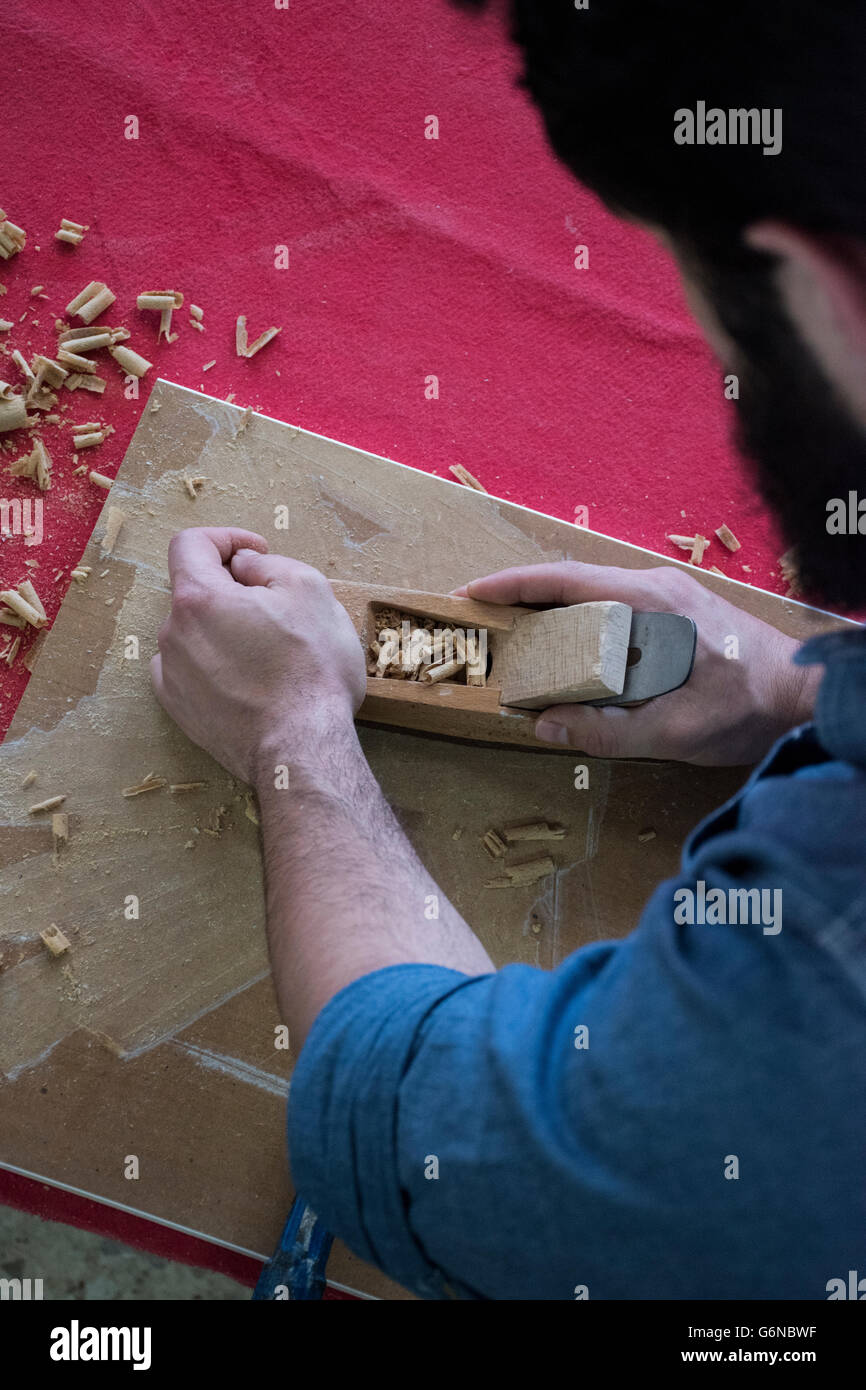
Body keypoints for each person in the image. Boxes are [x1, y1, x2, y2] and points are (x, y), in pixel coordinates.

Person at [150, 1, 866, 1298]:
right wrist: (786, 692)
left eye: (719, 312)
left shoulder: (791, 1063)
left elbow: (411, 1128)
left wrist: (296, 734)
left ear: (832, 300)